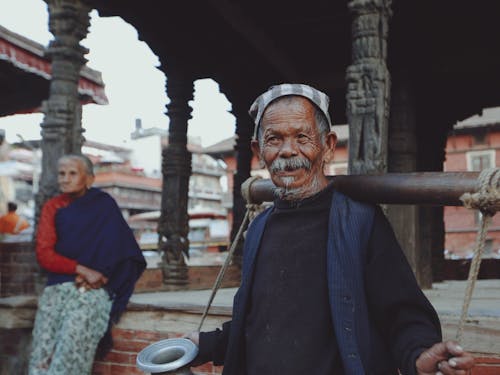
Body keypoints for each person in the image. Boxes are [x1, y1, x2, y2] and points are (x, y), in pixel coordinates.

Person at [188, 84, 475, 374]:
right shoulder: (260, 227)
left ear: (327, 146)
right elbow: (259, 319)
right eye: (274, 139)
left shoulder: (360, 221)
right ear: (258, 151)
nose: (288, 151)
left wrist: (419, 354)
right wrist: (207, 343)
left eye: (302, 137)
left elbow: (402, 313)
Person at [29, 154, 146, 375]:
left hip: (94, 291)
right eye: (61, 174)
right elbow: (45, 254)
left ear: (89, 179)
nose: (65, 179)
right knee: (41, 355)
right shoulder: (53, 207)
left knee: (71, 351)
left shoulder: (103, 205)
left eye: (72, 173)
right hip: (58, 288)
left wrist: (101, 274)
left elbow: (121, 250)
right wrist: (81, 269)